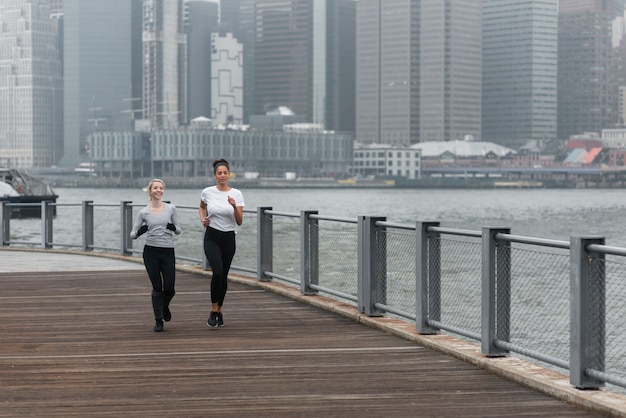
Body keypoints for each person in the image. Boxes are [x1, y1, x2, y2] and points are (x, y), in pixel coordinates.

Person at [130, 179, 181, 332]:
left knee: (170, 288)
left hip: (167, 251)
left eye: (161, 188)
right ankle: (158, 320)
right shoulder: (143, 212)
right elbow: (132, 234)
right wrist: (140, 231)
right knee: (157, 287)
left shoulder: (171, 209)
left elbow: (179, 230)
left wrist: (173, 227)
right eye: (156, 188)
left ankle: (164, 306)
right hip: (151, 252)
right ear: (150, 191)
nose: (159, 190)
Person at [199, 159, 244, 327]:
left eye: (225, 173)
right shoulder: (207, 192)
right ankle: (213, 309)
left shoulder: (237, 194)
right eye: (220, 173)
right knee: (217, 272)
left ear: (229, 174)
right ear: (215, 175)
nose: (223, 176)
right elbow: (202, 207)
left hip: (228, 238)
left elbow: (239, 221)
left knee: (224, 276)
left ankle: (219, 310)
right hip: (212, 236)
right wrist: (202, 218)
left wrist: (233, 206)